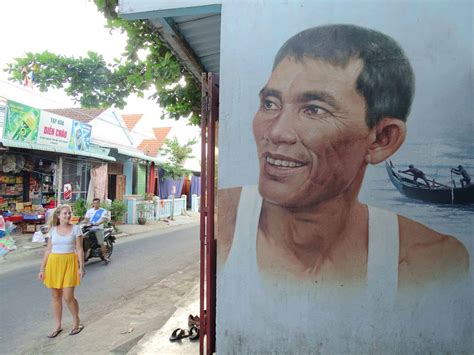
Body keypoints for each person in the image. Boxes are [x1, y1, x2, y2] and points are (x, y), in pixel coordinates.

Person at [218, 24, 469, 289]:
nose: (277, 132)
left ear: (382, 139)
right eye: (270, 104)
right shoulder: (222, 223)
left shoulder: (431, 260)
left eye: (313, 110)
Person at [38, 204, 85, 338]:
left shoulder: (76, 229)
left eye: (69, 213)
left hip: (69, 263)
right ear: (58, 216)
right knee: (55, 296)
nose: (68, 215)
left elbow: (79, 249)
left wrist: (81, 267)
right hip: (53, 263)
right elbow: (48, 250)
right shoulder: (52, 230)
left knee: (68, 296)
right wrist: (42, 268)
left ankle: (76, 322)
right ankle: (58, 325)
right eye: (65, 213)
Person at [83, 198, 110, 263]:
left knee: (101, 242)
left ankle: (105, 256)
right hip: (89, 228)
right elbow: (86, 219)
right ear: (92, 204)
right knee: (83, 239)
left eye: (97, 203)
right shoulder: (89, 211)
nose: (95, 204)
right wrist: (83, 223)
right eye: (94, 203)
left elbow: (103, 219)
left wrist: (97, 223)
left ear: (99, 203)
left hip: (98, 228)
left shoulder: (103, 211)